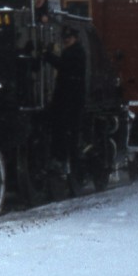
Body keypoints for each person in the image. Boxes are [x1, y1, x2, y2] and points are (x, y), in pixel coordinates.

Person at [45, 27, 87, 171]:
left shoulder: (76, 53)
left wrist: (49, 56)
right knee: (64, 129)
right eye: (65, 38)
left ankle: (66, 158)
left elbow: (65, 67)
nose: (66, 40)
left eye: (69, 37)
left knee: (66, 129)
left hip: (70, 98)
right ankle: (65, 158)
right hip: (68, 97)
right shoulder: (73, 52)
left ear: (75, 38)